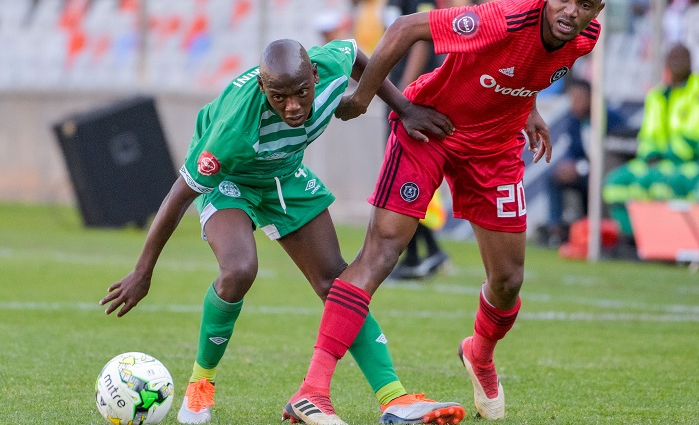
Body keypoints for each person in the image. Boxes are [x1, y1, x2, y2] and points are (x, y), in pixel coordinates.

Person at [285, 0, 606, 421]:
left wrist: (528, 107)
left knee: (508, 281)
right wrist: (363, 98)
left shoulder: (584, 38)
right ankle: (312, 390)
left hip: (495, 150)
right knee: (381, 252)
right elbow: (405, 27)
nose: (572, 11)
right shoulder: (505, 16)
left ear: (597, 11)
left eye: (585, 5)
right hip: (430, 131)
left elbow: (530, 64)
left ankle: (478, 352)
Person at [99, 38, 464, 425]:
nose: (292, 106)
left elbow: (355, 53)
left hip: (284, 176)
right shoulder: (232, 134)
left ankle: (394, 399)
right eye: (279, 96)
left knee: (337, 283)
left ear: (315, 75)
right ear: (262, 88)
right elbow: (177, 198)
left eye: (301, 93)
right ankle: (200, 384)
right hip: (232, 181)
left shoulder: (328, 69)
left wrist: (394, 105)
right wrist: (143, 271)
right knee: (239, 270)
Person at [384, 0, 450, 279]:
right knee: (403, 172)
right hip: (397, 95)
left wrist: (404, 94)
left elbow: (424, 38)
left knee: (407, 171)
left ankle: (416, 256)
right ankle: (426, 253)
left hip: (413, 98)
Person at [603, 43, 699, 239]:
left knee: (662, 185)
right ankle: (633, 239)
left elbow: (692, 138)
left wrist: (666, 154)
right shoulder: (657, 95)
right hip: (655, 162)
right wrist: (651, 155)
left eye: (679, 61)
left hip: (688, 164)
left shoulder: (695, 91)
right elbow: (648, 136)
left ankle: (672, 240)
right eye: (672, 61)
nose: (674, 65)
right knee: (614, 183)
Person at [542, 78, 625, 248]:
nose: (575, 103)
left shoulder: (611, 119)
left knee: (598, 185)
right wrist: (570, 165)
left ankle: (607, 235)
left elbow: (615, 154)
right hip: (585, 173)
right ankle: (555, 231)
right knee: (552, 177)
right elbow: (572, 150)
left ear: (591, 99)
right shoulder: (574, 120)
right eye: (572, 98)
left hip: (606, 174)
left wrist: (580, 168)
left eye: (579, 98)